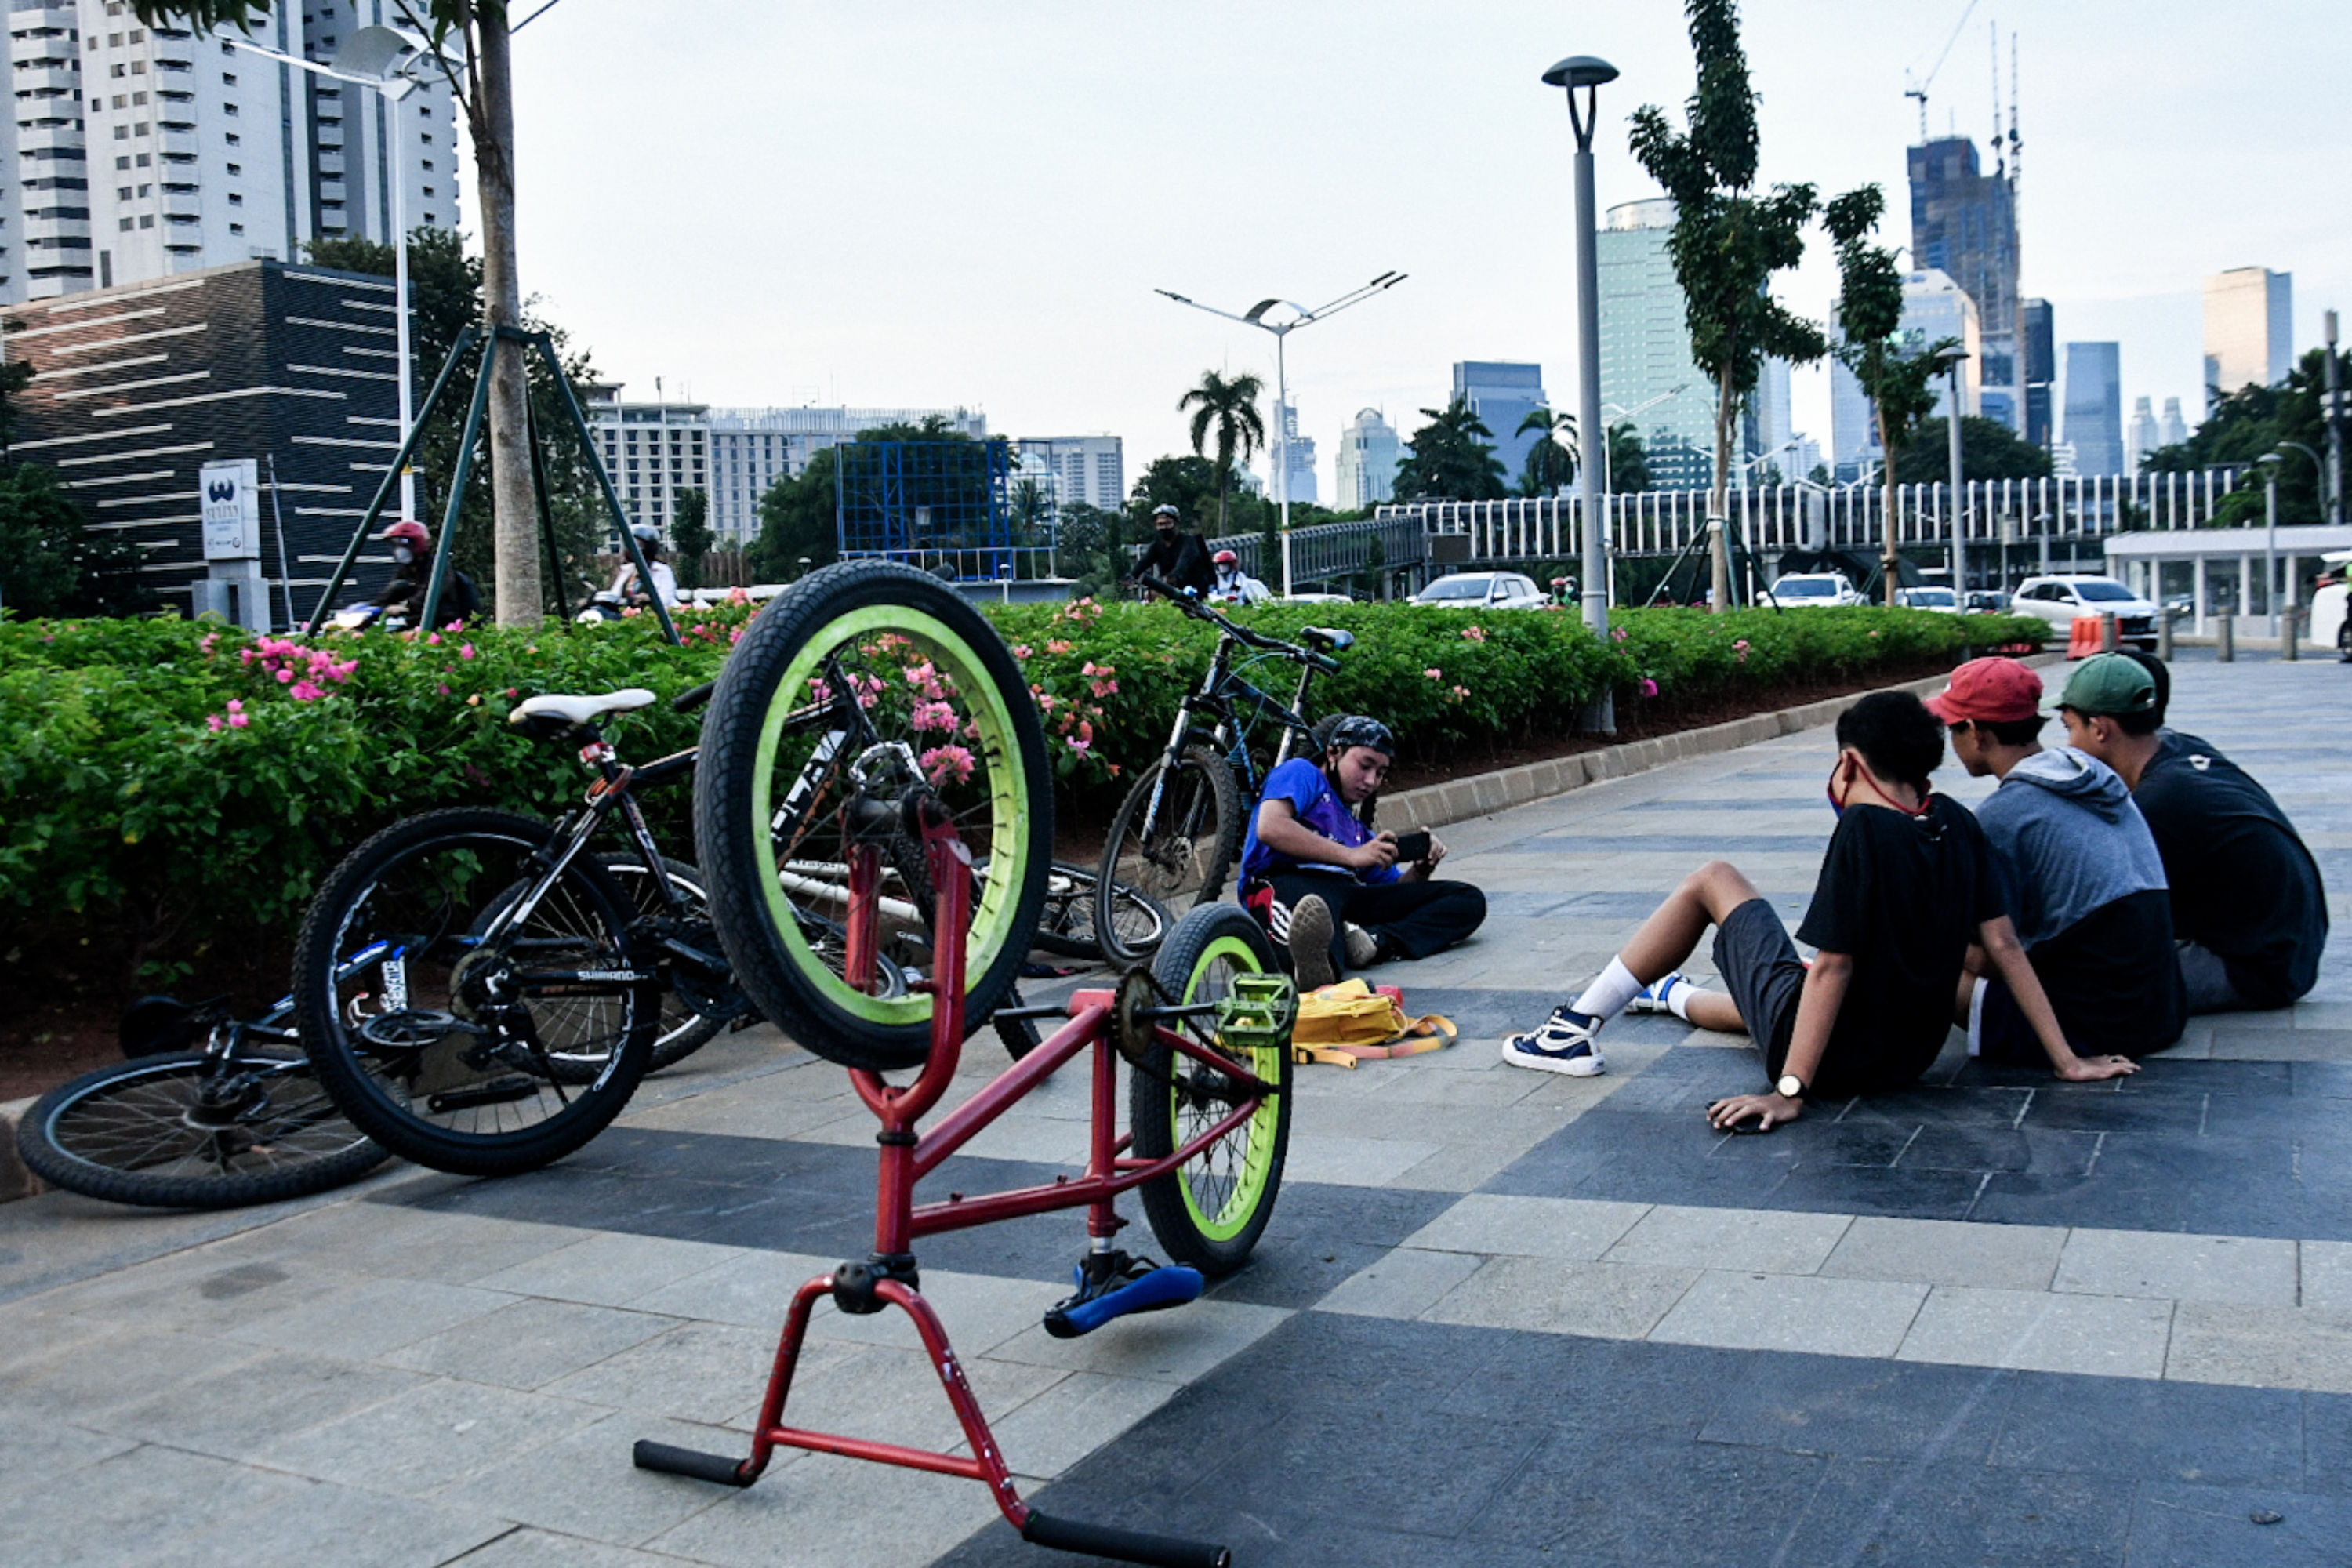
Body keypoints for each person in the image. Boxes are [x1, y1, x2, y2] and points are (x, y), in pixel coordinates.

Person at [1503, 691, 2138, 1123]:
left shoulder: (1864, 829)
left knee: (1715, 881)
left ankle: (1568, 1032)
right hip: (1907, 1058)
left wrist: (1788, 1092)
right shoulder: (1957, 822)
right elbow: (2005, 946)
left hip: (1828, 1059)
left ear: (1850, 762)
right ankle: (1669, 994)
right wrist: (2067, 1061)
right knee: (1791, 982)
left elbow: (1834, 967)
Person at [1929, 657, 2185, 1061]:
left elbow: (1994, 956)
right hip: (2161, 1010)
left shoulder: (2003, 816)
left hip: (2095, 1028)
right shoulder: (2095, 778)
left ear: (1976, 733)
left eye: (1952, 727)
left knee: (1919, 956)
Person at [2054, 652, 2328, 1014]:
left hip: (2254, 969)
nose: (2070, 747)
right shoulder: (2183, 748)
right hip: (2293, 947)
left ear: (2101, 729)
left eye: (2071, 729)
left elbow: (2098, 908)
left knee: (2067, 981)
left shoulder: (2159, 804)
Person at [1239, 714, 1486, 989]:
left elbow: (1394, 890)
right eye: (1365, 766)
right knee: (1312, 928)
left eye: (1380, 773)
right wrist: (1351, 855)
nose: (1371, 781)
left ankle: (1373, 941)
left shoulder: (1358, 831)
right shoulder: (1302, 773)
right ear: (1333, 753)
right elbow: (1271, 827)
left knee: (1467, 900)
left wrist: (1420, 870)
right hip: (1289, 881)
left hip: (1350, 896)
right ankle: (1322, 964)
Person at [374, 519, 481, 626]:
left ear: (417, 543)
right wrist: (376, 607)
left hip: (442, 622)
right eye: (395, 545)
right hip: (416, 620)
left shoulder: (438, 567)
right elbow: (392, 590)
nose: (399, 550)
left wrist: (406, 606)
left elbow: (432, 593)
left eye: (403, 544)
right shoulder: (406, 570)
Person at [1135, 503, 1214, 598]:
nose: (1164, 528)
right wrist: (1131, 576)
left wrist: (1172, 577)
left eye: (1168, 524)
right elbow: (1143, 563)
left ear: (1176, 524)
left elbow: (1184, 562)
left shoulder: (1189, 542)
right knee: (1149, 595)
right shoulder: (1157, 545)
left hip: (1194, 591)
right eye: (1160, 524)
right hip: (1172, 590)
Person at [610, 523, 681, 609]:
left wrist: (647, 599)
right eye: (629, 545)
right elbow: (614, 595)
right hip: (629, 614)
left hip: (655, 614)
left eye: (638, 544)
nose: (632, 549)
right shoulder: (627, 570)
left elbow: (665, 599)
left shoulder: (662, 570)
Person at [1208, 548, 1272, 605]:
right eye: (1220, 565)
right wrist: (1224, 599)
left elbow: (1242, 592)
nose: (1222, 567)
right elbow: (1209, 595)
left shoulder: (1241, 579)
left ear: (1231, 564)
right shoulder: (1214, 579)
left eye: (1225, 564)